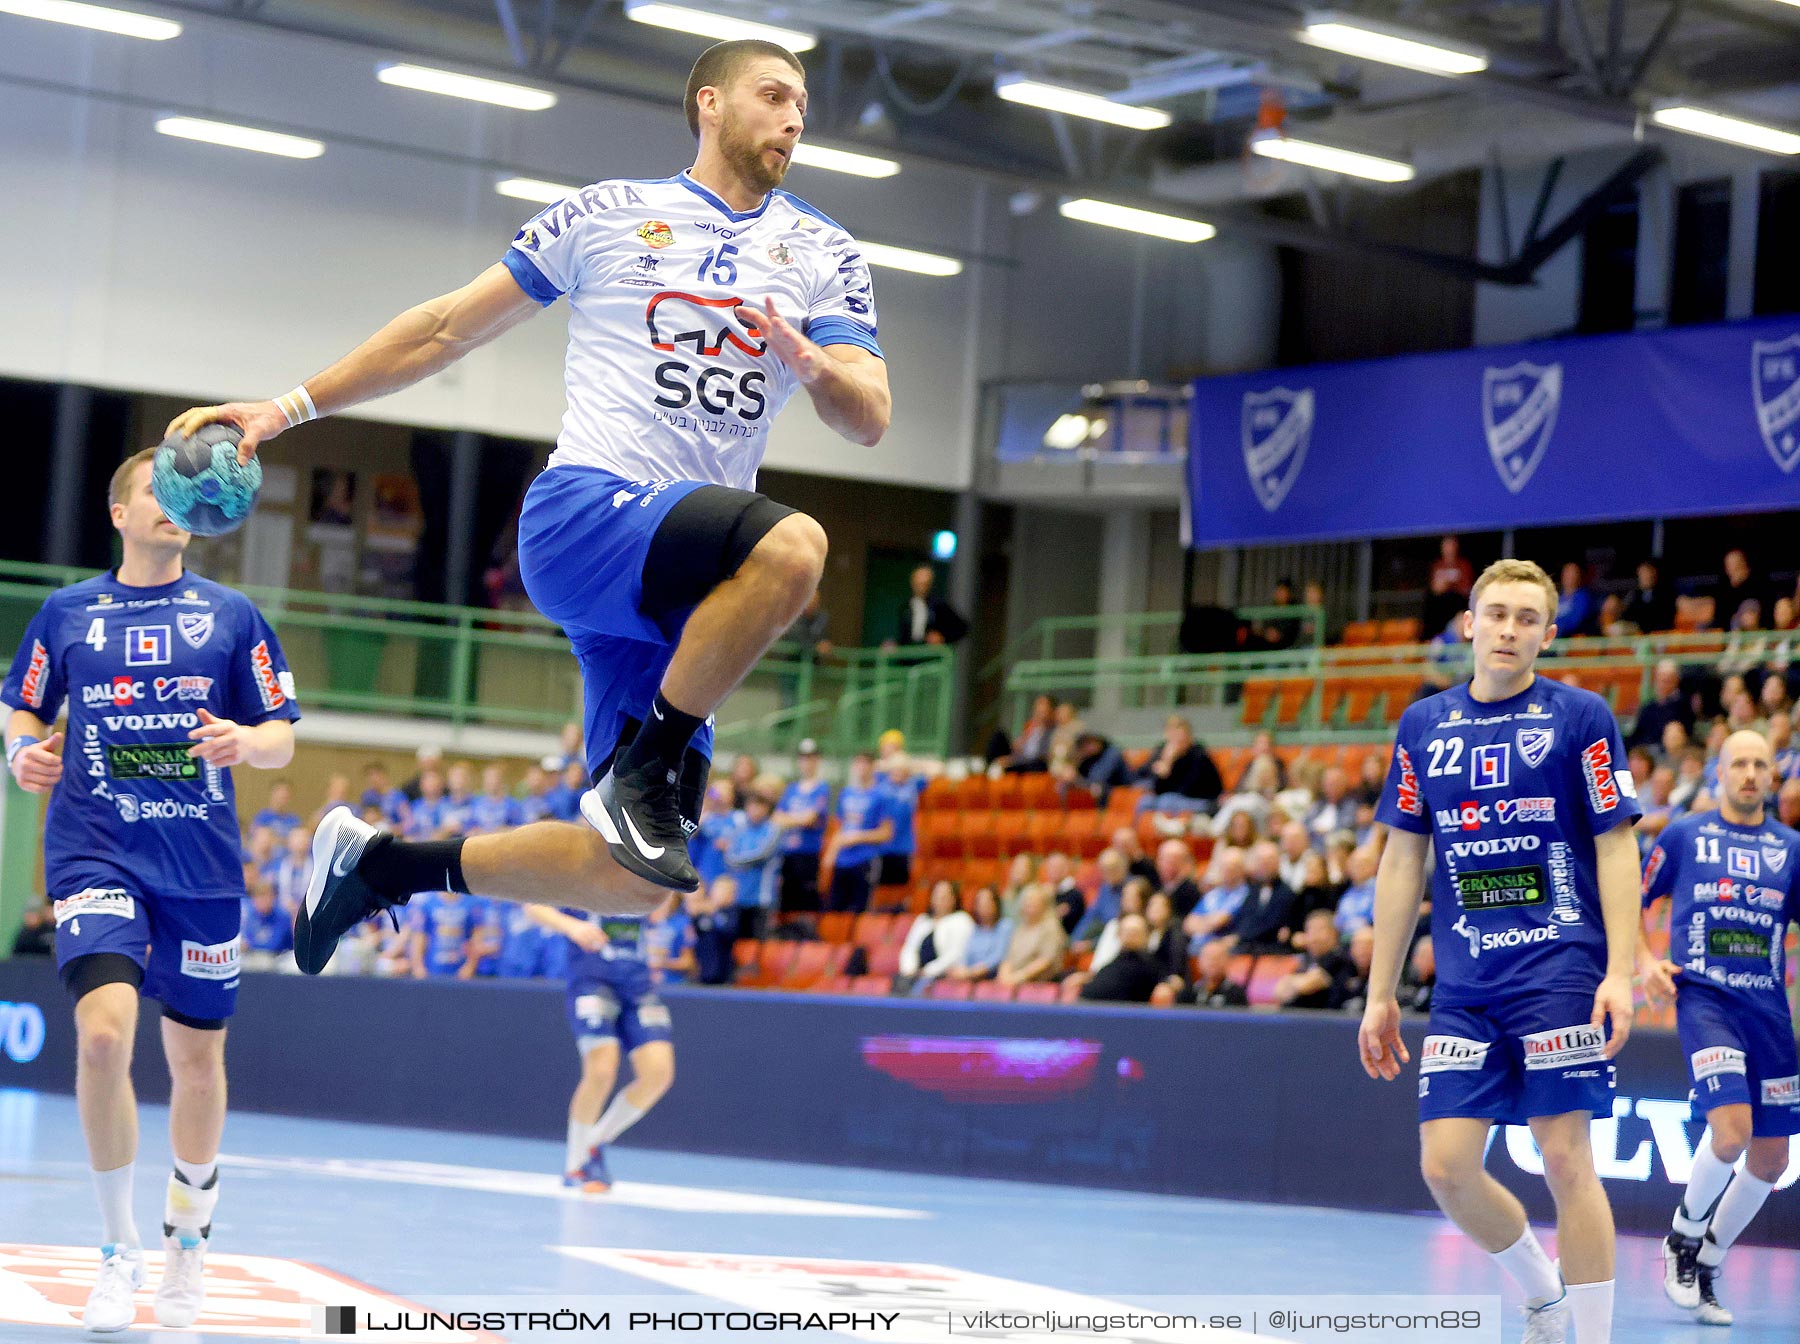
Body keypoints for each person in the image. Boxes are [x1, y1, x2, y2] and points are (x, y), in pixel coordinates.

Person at [172, 37, 891, 967]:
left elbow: (868, 418)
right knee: (795, 550)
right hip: (586, 517)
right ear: (709, 103)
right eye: (774, 94)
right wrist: (286, 407)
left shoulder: (826, 252)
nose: (795, 116)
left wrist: (815, 364)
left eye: (804, 104)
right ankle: (645, 769)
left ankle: (383, 867)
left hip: (683, 591)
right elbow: (440, 331)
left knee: (634, 881)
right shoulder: (610, 215)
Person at [1, 448, 300, 1331]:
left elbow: (282, 733)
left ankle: (188, 1243)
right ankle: (116, 1253)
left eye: (182, 494)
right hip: (94, 851)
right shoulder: (66, 614)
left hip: (200, 865)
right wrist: (22, 750)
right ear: (120, 514)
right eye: (154, 492)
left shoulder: (232, 615)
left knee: (196, 1066)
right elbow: (22, 708)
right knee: (101, 1040)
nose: (173, 504)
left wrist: (250, 743)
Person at [1362, 558, 1642, 1344]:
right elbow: (1402, 859)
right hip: (1464, 981)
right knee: (1446, 1166)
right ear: (1469, 624)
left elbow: (1617, 847)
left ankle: (1592, 1337)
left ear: (1549, 635)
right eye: (1497, 613)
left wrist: (1618, 970)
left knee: (1565, 1157)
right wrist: (1380, 991)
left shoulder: (1582, 717)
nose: (1509, 629)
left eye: (1526, 617)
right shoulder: (1423, 725)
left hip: (1560, 965)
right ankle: (1543, 1296)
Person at [1639, 729, 1799, 1326]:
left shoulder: (1792, 848)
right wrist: (1644, 961)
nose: (1751, 773)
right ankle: (1682, 1238)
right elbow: (1634, 895)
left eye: (1761, 763)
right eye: (1740, 764)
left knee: (1771, 1160)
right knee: (1730, 1132)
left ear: (1772, 776)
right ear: (1719, 773)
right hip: (1706, 1001)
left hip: (1769, 1012)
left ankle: (1708, 1261)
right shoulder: (1685, 834)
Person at [525, 903, 677, 1193]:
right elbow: (533, 906)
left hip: (637, 983)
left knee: (659, 1073)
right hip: (592, 979)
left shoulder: (643, 865)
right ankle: (575, 1163)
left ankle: (595, 1141)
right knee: (601, 1070)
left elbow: (663, 906)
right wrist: (572, 926)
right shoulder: (582, 866)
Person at [822, 752, 892, 914]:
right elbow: (840, 826)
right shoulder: (846, 793)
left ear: (872, 767)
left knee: (859, 911)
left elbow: (886, 833)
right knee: (835, 910)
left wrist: (858, 837)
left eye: (865, 763)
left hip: (864, 859)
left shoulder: (880, 795)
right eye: (858, 763)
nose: (861, 768)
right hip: (842, 860)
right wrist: (832, 852)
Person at [773, 739, 830, 913]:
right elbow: (777, 818)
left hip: (808, 852)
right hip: (789, 852)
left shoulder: (821, 788)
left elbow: (810, 818)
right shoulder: (791, 789)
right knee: (787, 900)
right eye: (803, 758)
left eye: (810, 758)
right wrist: (799, 819)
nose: (806, 762)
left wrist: (790, 819)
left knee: (805, 901)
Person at [1078, 914, 1184, 1004]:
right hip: (1093, 1010)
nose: (1130, 935)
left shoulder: (1151, 965)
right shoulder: (1110, 964)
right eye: (1127, 931)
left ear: (1146, 935)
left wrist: (1168, 984)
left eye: (1135, 931)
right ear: (1119, 934)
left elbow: (1170, 981)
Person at [897, 880, 972, 993]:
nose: (940, 899)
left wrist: (928, 971)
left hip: (943, 975)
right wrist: (910, 970)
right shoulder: (923, 920)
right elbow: (910, 948)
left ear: (954, 899)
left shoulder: (962, 920)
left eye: (945, 896)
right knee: (899, 984)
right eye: (937, 895)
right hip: (914, 975)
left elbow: (955, 955)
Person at [890, 563, 966, 649]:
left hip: (931, 655)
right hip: (909, 656)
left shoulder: (938, 605)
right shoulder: (905, 607)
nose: (921, 588)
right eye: (918, 584)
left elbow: (961, 628)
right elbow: (903, 636)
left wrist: (942, 637)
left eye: (925, 584)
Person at [1180, 937, 1249, 1008]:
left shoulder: (1236, 993)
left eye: (1217, 958)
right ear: (1199, 962)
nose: (1212, 962)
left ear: (1228, 961)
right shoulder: (1190, 992)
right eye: (1208, 958)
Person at [1619, 560, 1673, 635]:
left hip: (1659, 634)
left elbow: (1664, 618)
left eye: (1647, 573)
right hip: (1638, 633)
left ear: (1654, 574)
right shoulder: (1634, 595)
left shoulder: (1665, 594)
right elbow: (1628, 616)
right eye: (1642, 574)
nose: (1645, 577)